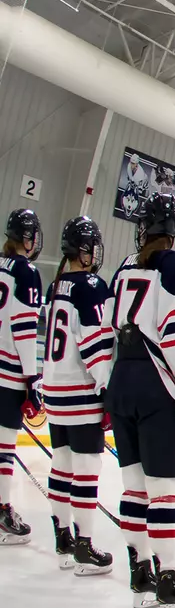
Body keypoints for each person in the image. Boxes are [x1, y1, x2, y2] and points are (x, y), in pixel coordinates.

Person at [107, 194, 175, 608]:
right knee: (164, 492)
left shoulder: (123, 268)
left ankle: (141, 577)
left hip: (121, 382)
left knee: (134, 489)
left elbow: (113, 328)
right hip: (155, 388)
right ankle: (168, 581)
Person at [43, 217, 115, 576]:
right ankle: (84, 542)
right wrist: (108, 389)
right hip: (80, 392)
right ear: (84, 251)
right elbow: (95, 347)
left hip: (54, 390)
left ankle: (62, 538)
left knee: (62, 465)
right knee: (86, 470)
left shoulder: (55, 286)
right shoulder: (90, 286)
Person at [0, 209, 44, 548]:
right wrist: (32, 381)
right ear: (27, 239)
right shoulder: (26, 273)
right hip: (8, 375)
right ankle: (2, 512)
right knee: (3, 447)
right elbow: (24, 332)